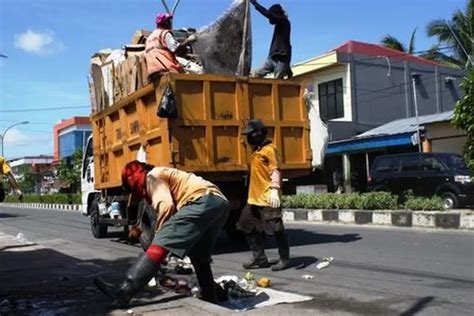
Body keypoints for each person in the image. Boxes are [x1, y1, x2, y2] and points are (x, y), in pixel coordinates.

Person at [94, 161, 230, 307]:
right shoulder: (162, 173)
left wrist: (160, 238)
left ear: (133, 179)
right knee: (199, 257)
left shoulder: (152, 177)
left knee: (160, 244)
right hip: (220, 204)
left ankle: (123, 293)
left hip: (201, 201)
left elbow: (165, 205)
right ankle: (211, 297)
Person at [237, 119, 290, 271]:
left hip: (268, 197)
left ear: (259, 134)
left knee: (276, 228)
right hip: (254, 198)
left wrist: (275, 189)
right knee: (246, 225)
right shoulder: (257, 151)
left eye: (250, 135)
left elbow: (275, 170)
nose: (248, 138)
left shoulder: (269, 150)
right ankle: (259, 257)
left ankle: (284, 259)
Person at [145, 13, 196, 81]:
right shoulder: (164, 34)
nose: (171, 23)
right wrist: (188, 40)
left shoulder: (149, 38)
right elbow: (177, 49)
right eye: (169, 21)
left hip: (153, 73)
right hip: (166, 69)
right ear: (166, 22)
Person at [250, 0, 292, 79]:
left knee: (277, 82)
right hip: (272, 58)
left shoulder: (284, 21)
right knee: (257, 75)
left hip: (281, 59)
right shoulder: (280, 25)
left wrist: (255, 4)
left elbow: (269, 15)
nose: (270, 20)